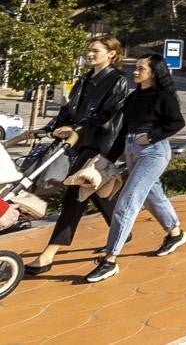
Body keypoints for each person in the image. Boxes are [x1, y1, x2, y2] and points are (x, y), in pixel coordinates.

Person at [25, 35, 131, 276]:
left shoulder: (118, 80)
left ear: (111, 54)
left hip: (100, 145)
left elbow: (106, 114)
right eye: (89, 50)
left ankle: (48, 255)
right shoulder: (85, 78)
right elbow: (68, 110)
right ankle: (124, 230)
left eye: (95, 50)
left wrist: (77, 129)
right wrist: (49, 128)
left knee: (75, 196)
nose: (90, 54)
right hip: (79, 143)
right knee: (94, 194)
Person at [86, 54, 186, 283]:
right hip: (131, 149)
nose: (135, 71)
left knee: (128, 200)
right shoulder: (133, 97)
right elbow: (124, 131)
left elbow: (177, 123)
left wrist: (151, 136)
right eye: (136, 67)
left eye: (141, 68)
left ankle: (110, 260)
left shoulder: (162, 96)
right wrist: (108, 160)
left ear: (153, 72)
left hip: (153, 151)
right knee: (153, 195)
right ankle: (175, 233)